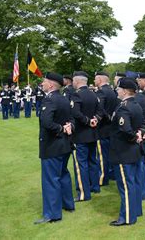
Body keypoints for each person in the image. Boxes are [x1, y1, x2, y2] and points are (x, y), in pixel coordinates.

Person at [34, 72, 75, 224]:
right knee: (63, 174)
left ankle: (52, 214)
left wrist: (61, 129)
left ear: (51, 84)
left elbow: (46, 122)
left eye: (44, 82)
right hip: (65, 145)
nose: (42, 84)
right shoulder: (64, 98)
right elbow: (72, 118)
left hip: (52, 145)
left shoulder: (49, 99)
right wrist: (69, 126)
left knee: (51, 179)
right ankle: (68, 204)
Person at [109, 77, 144, 226]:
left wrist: (134, 137)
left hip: (123, 151)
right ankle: (136, 211)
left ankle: (127, 217)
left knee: (126, 185)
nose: (117, 91)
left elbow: (125, 129)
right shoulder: (136, 105)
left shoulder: (124, 107)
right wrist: (139, 134)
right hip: (133, 151)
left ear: (124, 91)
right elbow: (141, 125)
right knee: (133, 183)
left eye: (118, 88)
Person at [71, 71, 102, 202]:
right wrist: (95, 119)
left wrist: (87, 120)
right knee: (92, 161)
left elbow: (75, 112)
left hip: (81, 134)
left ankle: (84, 192)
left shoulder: (76, 95)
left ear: (77, 81)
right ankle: (95, 186)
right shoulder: (93, 94)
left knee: (81, 164)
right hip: (93, 133)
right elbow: (100, 110)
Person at [94, 71, 118, 187]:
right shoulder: (112, 91)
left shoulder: (101, 92)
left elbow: (100, 108)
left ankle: (102, 178)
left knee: (102, 155)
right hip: (111, 127)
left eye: (95, 79)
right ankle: (110, 174)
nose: (94, 81)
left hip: (103, 127)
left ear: (99, 80)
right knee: (109, 153)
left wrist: (106, 116)